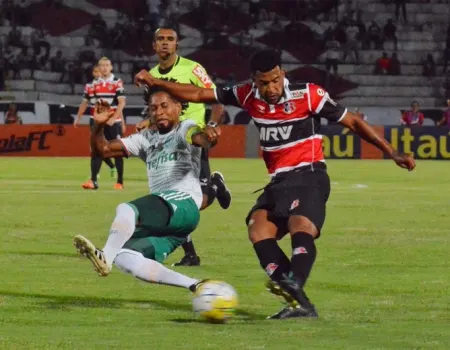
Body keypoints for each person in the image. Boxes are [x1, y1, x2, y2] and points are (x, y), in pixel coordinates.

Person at [134, 49, 416, 319]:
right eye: (264, 82)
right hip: (279, 180)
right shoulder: (246, 94)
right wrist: (157, 82)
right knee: (258, 229)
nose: (270, 88)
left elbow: (352, 121)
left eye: (275, 80)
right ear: (254, 80)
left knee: (300, 225)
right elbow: (198, 94)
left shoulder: (308, 94)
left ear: (283, 73)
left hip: (309, 173)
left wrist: (391, 152)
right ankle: (299, 303)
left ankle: (294, 282)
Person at [73, 90, 216, 292]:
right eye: (153, 108)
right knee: (124, 256)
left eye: (164, 106)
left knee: (127, 209)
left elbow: (200, 138)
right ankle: (195, 285)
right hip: (172, 223)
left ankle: (105, 254)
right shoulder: (146, 138)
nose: (159, 112)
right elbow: (103, 150)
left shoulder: (185, 128)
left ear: (178, 106)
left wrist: (208, 137)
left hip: (183, 203)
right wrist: (99, 125)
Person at [136, 27, 231, 267]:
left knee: (191, 201)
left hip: (192, 140)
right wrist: (147, 123)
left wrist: (210, 124)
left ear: (177, 44)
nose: (165, 43)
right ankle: (190, 254)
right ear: (154, 45)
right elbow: (159, 110)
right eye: (161, 39)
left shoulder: (192, 68)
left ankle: (214, 188)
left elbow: (218, 102)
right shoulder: (152, 76)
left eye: (170, 39)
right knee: (169, 198)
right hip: (166, 143)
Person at [81, 57, 126, 190]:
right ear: (99, 68)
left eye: (107, 65)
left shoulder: (117, 82)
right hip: (99, 123)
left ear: (111, 67)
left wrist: (114, 118)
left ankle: (120, 182)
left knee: (117, 151)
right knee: (96, 151)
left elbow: (122, 102)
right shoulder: (94, 84)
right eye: (102, 65)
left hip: (113, 122)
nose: (105, 67)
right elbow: (93, 104)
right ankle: (93, 181)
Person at [74, 64, 117, 180]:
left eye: (100, 71)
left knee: (99, 148)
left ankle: (102, 171)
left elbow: (117, 103)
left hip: (106, 119)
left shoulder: (110, 85)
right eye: (96, 71)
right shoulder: (90, 86)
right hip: (94, 120)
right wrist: (78, 117)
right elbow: (84, 103)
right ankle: (102, 171)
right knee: (95, 148)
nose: (98, 73)